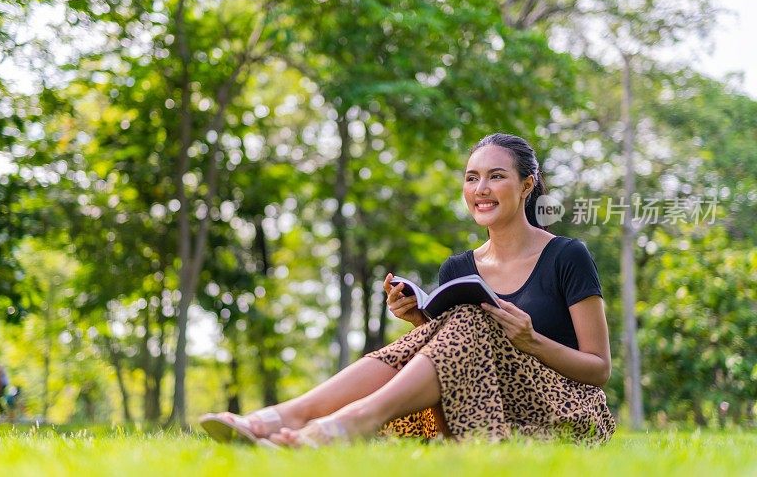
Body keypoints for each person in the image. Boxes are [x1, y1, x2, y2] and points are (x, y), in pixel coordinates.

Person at [200, 133, 616, 447]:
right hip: (478, 400)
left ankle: (345, 421)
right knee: (466, 318)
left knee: (472, 316)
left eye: (496, 177)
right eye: (472, 178)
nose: (481, 189)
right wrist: (419, 321)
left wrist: (532, 341)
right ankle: (284, 420)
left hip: (565, 408)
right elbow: (451, 352)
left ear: (527, 186)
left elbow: (599, 369)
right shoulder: (459, 267)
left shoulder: (566, 255)